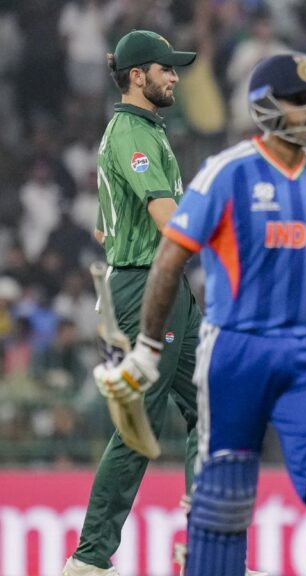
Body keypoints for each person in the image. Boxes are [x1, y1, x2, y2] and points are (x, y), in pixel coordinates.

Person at [92, 53, 306, 575]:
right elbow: (168, 261)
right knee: (224, 502)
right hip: (237, 351)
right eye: (301, 102)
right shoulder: (227, 173)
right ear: (266, 107)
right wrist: (146, 348)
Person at [64, 30, 203, 576]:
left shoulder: (141, 130)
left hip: (164, 284)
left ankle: (208, 547)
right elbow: (168, 220)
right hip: (151, 287)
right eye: (166, 69)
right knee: (140, 429)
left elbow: (105, 229)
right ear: (137, 76)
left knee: (212, 411)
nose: (175, 76)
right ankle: (89, 558)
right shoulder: (129, 132)